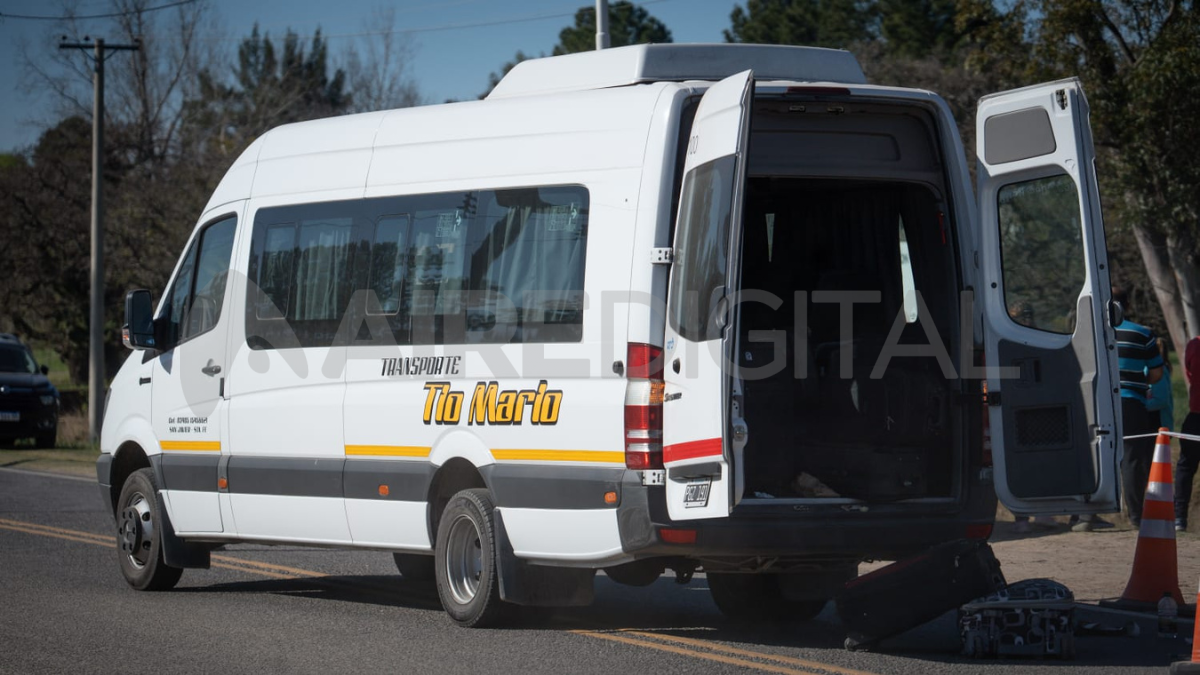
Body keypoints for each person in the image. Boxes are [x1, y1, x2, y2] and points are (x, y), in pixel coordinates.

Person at [1113, 286, 1165, 527]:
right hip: (1131, 401)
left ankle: (1084, 515)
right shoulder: (1142, 334)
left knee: (1093, 455)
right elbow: (1156, 373)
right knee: (1133, 458)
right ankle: (1135, 516)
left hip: (1094, 401)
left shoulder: (1090, 331)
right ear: (1128, 306)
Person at [1174, 336, 1200, 531]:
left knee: (1185, 468)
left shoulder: (1194, 344)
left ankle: (1179, 518)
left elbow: (1190, 373)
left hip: (1196, 415)